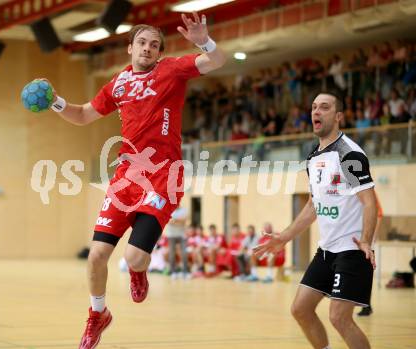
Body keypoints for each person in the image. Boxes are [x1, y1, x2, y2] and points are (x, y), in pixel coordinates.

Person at [42, 12, 226, 349]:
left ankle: (139, 270)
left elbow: (216, 60)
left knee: (134, 258)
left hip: (164, 176)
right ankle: (98, 314)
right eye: (142, 43)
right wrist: (55, 102)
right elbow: (83, 114)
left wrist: (204, 40)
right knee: (97, 255)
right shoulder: (118, 84)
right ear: (130, 48)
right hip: (127, 177)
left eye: (154, 45)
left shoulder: (171, 70)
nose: (148, 48)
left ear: (159, 52)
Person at [254, 92, 377, 349]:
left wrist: (365, 241)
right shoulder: (313, 157)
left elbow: (369, 202)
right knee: (300, 309)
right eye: (313, 107)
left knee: (339, 318)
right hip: (327, 250)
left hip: (351, 249)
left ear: (339, 116)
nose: (316, 112)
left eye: (324, 107)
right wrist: (284, 237)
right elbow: (313, 205)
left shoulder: (349, 154)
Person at [357, 191, 383, 316]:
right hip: (355, 240)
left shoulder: (367, 191)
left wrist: (372, 237)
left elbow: (378, 214)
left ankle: (366, 305)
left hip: (366, 241)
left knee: (364, 274)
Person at [165, 205, 189, 279]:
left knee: (184, 253)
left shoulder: (184, 210)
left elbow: (184, 221)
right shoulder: (169, 210)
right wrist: (178, 221)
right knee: (172, 254)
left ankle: (185, 271)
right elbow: (168, 221)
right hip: (171, 235)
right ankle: (173, 272)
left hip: (182, 235)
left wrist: (174, 220)